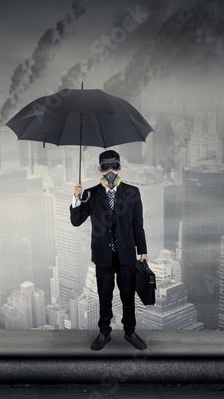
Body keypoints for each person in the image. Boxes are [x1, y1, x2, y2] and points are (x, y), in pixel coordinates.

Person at [70, 149, 148, 351]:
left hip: (126, 254)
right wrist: (77, 198)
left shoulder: (132, 192)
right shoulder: (90, 194)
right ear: (100, 169)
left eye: (114, 166)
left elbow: (138, 224)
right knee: (104, 295)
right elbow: (76, 221)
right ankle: (104, 333)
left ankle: (130, 332)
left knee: (128, 295)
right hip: (103, 256)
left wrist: (143, 251)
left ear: (120, 167)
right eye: (106, 167)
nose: (111, 170)